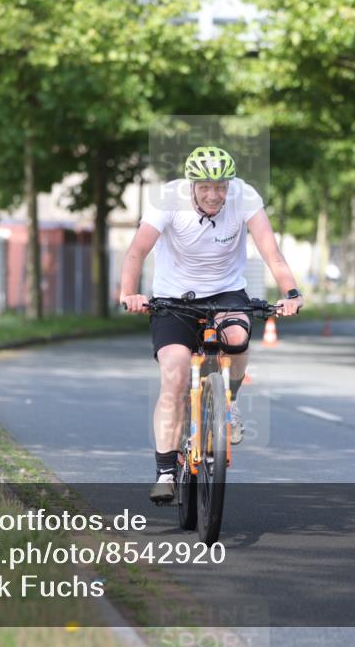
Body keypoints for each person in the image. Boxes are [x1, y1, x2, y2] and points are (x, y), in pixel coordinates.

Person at [118, 146, 304, 502]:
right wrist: (130, 293)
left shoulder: (245, 196)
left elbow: (271, 252)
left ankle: (228, 403)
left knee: (238, 336)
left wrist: (291, 293)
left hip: (226, 292)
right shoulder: (168, 200)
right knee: (173, 374)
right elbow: (136, 251)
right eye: (205, 186)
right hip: (174, 298)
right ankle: (165, 472)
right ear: (192, 185)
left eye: (220, 186)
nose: (214, 194)